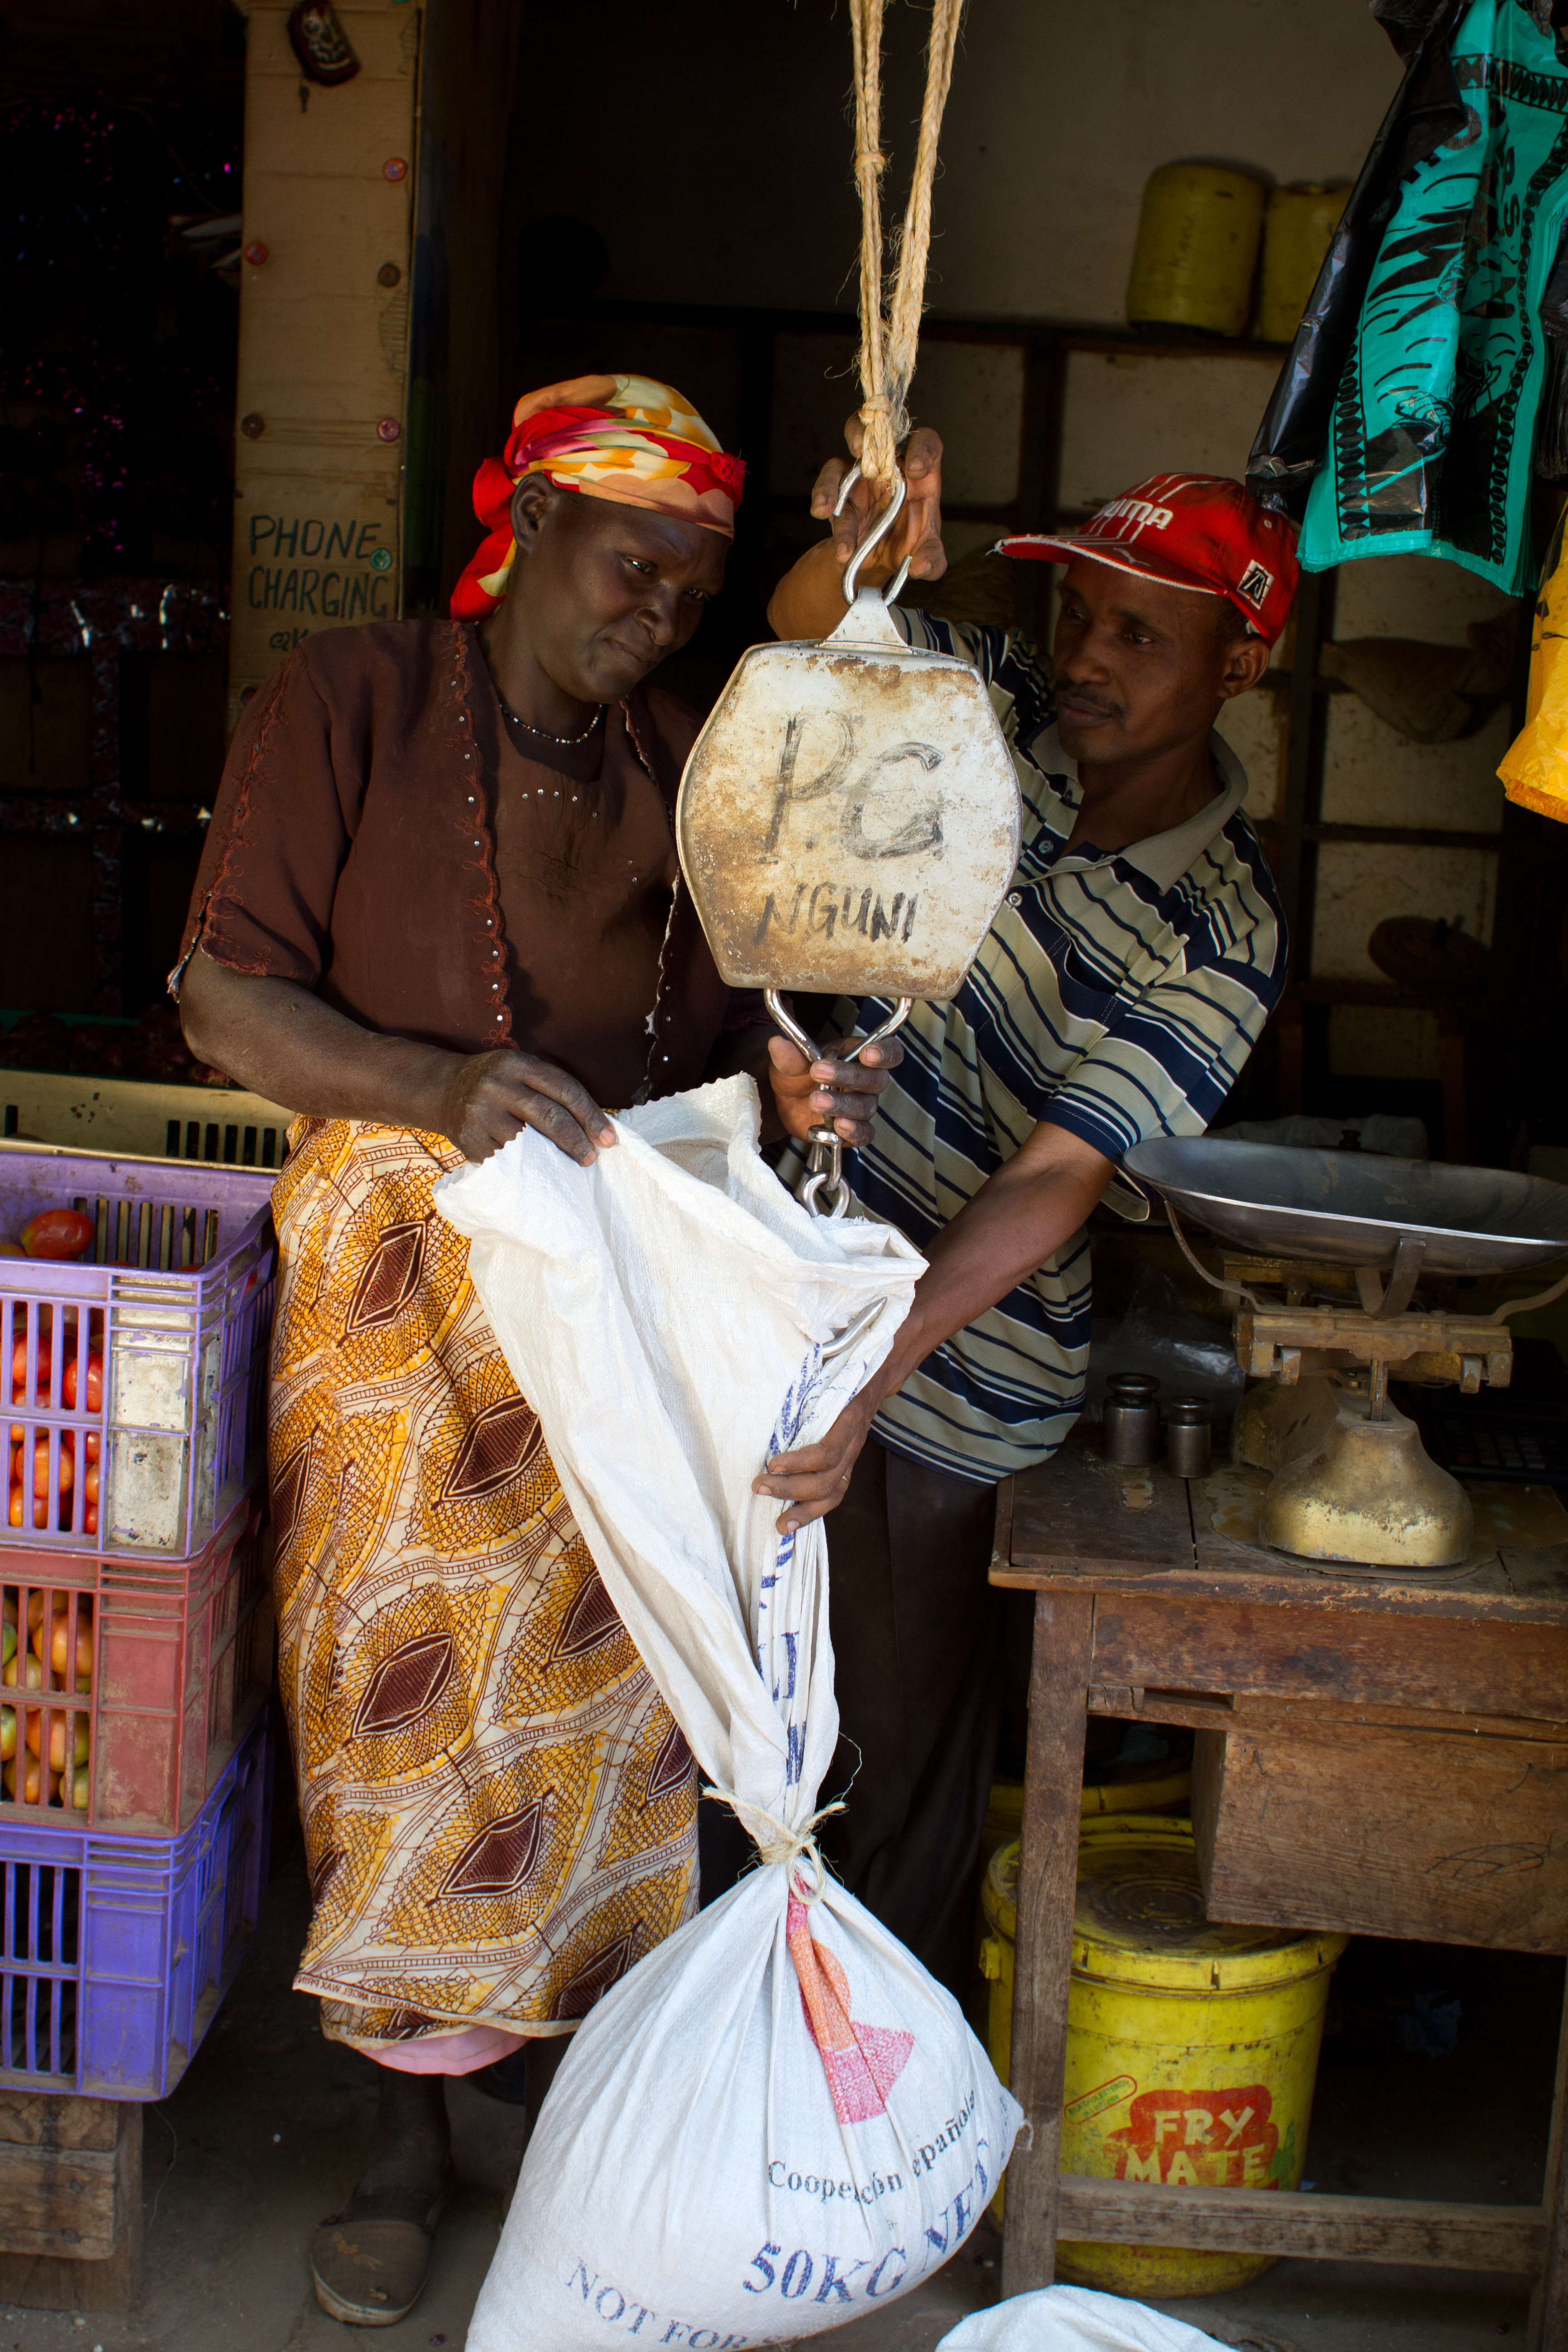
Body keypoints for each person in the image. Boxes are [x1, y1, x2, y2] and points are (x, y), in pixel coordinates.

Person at [174, 376, 931, 2327]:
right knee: (400, 1705)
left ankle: (544, 2097)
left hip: (607, 1286)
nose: (660, 609)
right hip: (394, 1283)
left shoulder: (678, 763)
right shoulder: (347, 698)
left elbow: (729, 1024)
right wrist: (438, 1082)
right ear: (526, 529)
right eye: (631, 561)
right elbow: (223, 996)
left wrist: (779, 1080)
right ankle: (401, 2142)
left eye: (691, 582)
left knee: (602, 1715)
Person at [759, 444, 1295, 1994]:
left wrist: (875, 1377)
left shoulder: (1229, 924)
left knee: (899, 1748)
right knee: (750, 1708)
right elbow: (811, 637)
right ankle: (743, 2044)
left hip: (959, 1374)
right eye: (1082, 617)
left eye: (1143, 636)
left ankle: (868, 2086)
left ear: (1242, 665)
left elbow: (1061, 1176)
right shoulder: (997, 705)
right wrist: (860, 546)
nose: (1087, 660)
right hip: (802, 1269)